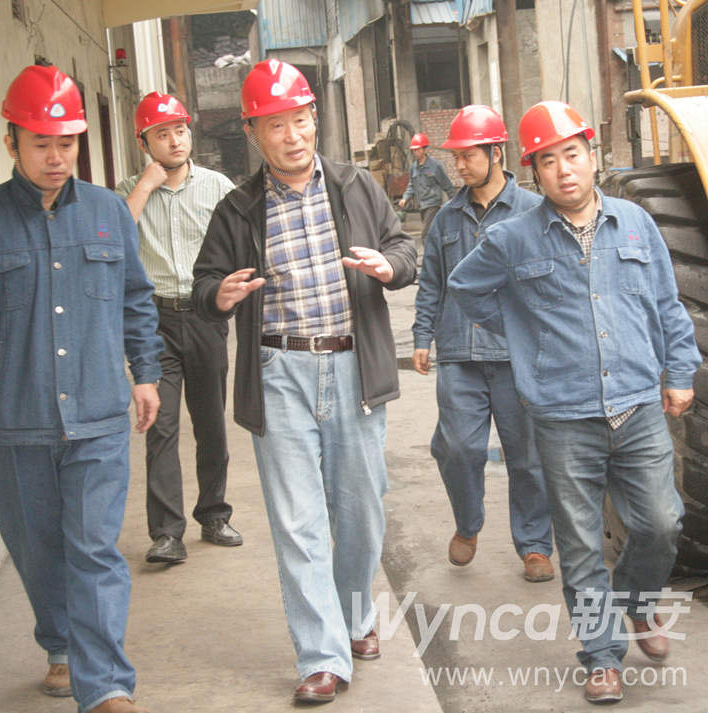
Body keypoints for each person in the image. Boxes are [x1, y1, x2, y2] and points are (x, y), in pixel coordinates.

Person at [0, 65, 163, 713]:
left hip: (98, 416)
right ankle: (60, 644)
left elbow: (135, 300)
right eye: (41, 144)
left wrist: (145, 372)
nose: (57, 157)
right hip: (14, 422)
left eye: (67, 143)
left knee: (94, 550)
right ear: (11, 143)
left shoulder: (110, 213)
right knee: (38, 550)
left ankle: (105, 684)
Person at [448, 100, 701, 704]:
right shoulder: (512, 238)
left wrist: (680, 370)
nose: (563, 170)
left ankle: (637, 601)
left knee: (661, 523)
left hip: (636, 405)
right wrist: (524, 338)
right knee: (582, 543)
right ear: (534, 171)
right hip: (562, 416)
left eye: (572, 154)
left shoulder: (636, 223)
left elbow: (667, 304)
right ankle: (601, 655)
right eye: (548, 161)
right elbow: (465, 288)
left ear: (592, 155)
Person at [192, 59, 416, 704]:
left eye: (299, 119)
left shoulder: (356, 185)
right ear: (253, 133)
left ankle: (356, 615)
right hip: (278, 371)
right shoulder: (238, 208)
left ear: (314, 118)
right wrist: (219, 295)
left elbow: (404, 249)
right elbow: (204, 282)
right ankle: (322, 654)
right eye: (275, 125)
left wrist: (389, 267)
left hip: (353, 366)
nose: (291, 135)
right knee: (298, 520)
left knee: (361, 509)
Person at [412, 105, 554, 582]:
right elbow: (431, 282)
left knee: (528, 456)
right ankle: (468, 524)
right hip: (459, 352)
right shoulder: (446, 219)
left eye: (468, 155)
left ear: (496, 153)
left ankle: (535, 546)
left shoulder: (533, 212)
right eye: (455, 157)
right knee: (457, 448)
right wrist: (422, 336)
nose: (459, 166)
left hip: (518, 356)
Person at [116, 92, 240, 566]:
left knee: (210, 422)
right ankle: (167, 533)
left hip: (205, 314)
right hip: (154, 322)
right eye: (162, 134)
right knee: (160, 425)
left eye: (180, 131)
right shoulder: (128, 192)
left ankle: (214, 514)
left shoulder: (217, 187)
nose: (174, 141)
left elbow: (239, 241)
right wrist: (146, 187)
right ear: (143, 142)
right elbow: (114, 239)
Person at [398, 132, 455, 246]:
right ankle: (439, 250)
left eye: (418, 150)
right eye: (414, 150)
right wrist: (405, 198)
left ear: (425, 149)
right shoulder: (414, 167)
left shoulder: (435, 165)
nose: (416, 152)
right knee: (433, 231)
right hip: (422, 205)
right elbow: (411, 185)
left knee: (425, 233)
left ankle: (428, 254)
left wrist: (455, 200)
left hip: (433, 204)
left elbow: (446, 184)